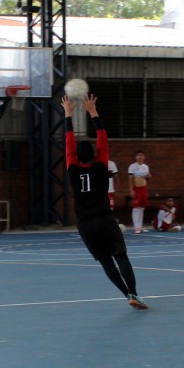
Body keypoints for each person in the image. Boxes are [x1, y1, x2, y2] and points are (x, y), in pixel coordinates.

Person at [62, 94, 148, 309]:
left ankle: (126, 294)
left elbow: (68, 142)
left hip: (85, 225)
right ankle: (134, 294)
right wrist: (93, 112)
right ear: (94, 154)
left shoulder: (72, 168)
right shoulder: (101, 165)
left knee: (106, 262)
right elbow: (102, 137)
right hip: (104, 218)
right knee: (121, 256)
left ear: (76, 156)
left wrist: (67, 113)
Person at [127, 150, 151, 234]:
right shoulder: (132, 166)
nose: (140, 157)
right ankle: (136, 227)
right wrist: (131, 190)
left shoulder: (146, 167)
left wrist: (149, 176)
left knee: (142, 208)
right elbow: (130, 178)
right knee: (136, 208)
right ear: (136, 157)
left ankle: (140, 226)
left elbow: (147, 177)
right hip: (136, 189)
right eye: (138, 155)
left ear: (144, 157)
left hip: (144, 189)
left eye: (141, 155)